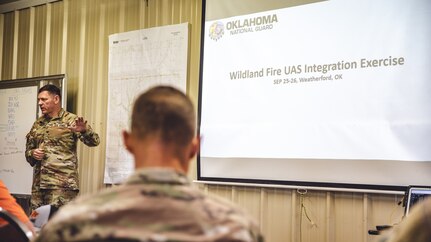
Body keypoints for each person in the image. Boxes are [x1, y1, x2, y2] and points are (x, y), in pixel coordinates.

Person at [35, 86, 264, 242]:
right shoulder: (237, 227)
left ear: (128, 142)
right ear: (195, 146)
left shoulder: (71, 223)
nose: (41, 104)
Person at [25, 84, 100, 211]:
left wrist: (84, 131)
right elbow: (28, 152)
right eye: (39, 100)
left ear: (56, 99)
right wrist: (33, 153)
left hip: (62, 187)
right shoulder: (38, 123)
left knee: (60, 226)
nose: (40, 103)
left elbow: (94, 141)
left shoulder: (71, 120)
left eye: (44, 99)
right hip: (39, 188)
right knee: (37, 225)